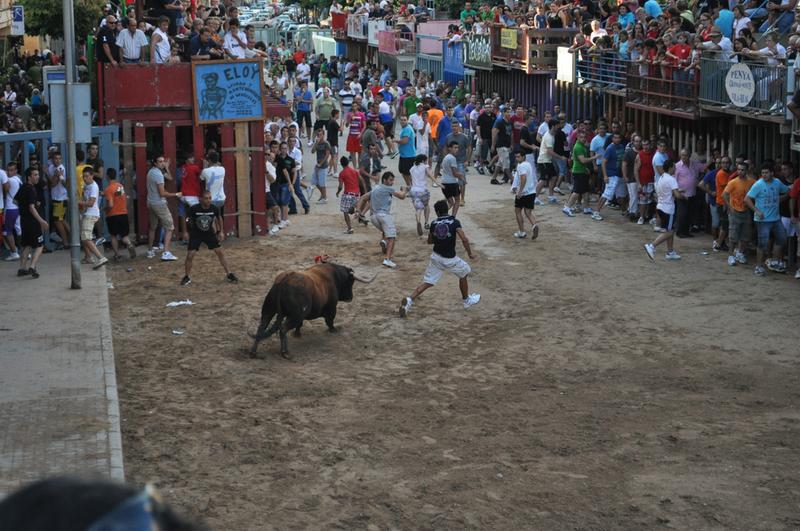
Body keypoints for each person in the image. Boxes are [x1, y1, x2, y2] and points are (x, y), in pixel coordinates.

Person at [398, 199, 480, 317]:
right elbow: (464, 238)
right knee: (465, 272)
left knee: (428, 282)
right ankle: (466, 300)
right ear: (447, 209)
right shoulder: (454, 222)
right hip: (450, 259)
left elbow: (429, 241)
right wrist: (470, 253)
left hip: (436, 257)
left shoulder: (434, 223)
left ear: (437, 212)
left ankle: (409, 300)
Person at [181, 190, 238, 285]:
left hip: (209, 234)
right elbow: (185, 218)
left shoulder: (214, 208)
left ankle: (229, 273)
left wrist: (221, 231)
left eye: (210, 198)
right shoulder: (194, 208)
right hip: (196, 234)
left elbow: (219, 218)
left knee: (220, 252)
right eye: (206, 198)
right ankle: (187, 276)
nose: (208, 200)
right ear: (201, 199)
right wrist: (185, 231)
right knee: (190, 255)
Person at [355, 172, 407, 269]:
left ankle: (385, 244)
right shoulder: (388, 188)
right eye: (390, 180)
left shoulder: (375, 188)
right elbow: (402, 196)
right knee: (392, 236)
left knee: (385, 231)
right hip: (383, 216)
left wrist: (358, 211)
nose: (392, 182)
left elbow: (362, 198)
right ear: (384, 180)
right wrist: (404, 190)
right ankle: (387, 259)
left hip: (373, 217)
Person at [745, 164, 789, 276]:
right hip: (763, 220)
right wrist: (757, 211)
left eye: (766, 172)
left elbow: (787, 190)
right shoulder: (758, 184)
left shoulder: (777, 182)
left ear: (772, 173)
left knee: (782, 239)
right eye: (763, 173)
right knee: (762, 244)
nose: (764, 175)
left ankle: (773, 261)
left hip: (775, 218)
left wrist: (779, 199)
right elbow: (747, 199)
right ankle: (759, 267)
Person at [644, 160, 683, 261]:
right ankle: (651, 246)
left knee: (668, 230)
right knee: (670, 232)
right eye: (674, 167)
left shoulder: (661, 178)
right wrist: (684, 196)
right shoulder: (671, 179)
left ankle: (670, 252)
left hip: (661, 206)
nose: (675, 168)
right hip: (668, 209)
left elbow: (667, 191)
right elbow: (677, 195)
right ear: (670, 168)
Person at [146, 155, 181, 261]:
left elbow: (170, 177)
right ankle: (166, 252)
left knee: (153, 227)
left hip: (150, 202)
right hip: (159, 204)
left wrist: (166, 168)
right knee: (170, 227)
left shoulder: (151, 172)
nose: (162, 163)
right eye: (160, 161)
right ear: (155, 163)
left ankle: (150, 250)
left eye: (163, 161)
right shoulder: (158, 175)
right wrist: (175, 194)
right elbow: (162, 193)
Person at [15, 167, 48, 278]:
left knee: (27, 245)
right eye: (35, 175)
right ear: (29, 177)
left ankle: (22, 268)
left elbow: (15, 200)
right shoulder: (31, 189)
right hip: (32, 222)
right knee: (40, 245)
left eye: (38, 174)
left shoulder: (23, 187)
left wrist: (23, 207)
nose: (37, 176)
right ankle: (32, 267)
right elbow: (31, 208)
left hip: (23, 221)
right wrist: (42, 221)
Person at [722, 164, 755, 267]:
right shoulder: (733, 182)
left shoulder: (752, 182)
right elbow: (724, 194)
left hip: (746, 211)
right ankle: (731, 256)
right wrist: (730, 207)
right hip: (735, 211)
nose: (740, 172)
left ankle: (740, 253)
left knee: (745, 235)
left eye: (743, 170)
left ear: (746, 170)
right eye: (739, 170)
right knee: (733, 235)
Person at [77, 166, 108, 269]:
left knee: (86, 237)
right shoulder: (87, 185)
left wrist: (78, 202)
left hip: (91, 214)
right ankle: (88, 257)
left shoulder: (94, 187)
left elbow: (90, 203)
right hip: (87, 213)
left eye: (87, 176)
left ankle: (100, 257)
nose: (85, 178)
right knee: (84, 237)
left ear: (92, 176)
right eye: (83, 176)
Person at [103, 168, 136, 260]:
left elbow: (110, 204)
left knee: (113, 235)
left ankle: (117, 254)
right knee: (124, 236)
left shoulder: (108, 189)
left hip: (113, 215)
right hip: (123, 214)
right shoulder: (120, 186)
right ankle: (129, 244)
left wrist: (104, 208)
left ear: (107, 177)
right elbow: (118, 197)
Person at [512, 150, 539, 239]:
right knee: (528, 212)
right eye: (516, 157)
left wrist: (519, 191)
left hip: (523, 193)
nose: (516, 158)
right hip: (532, 192)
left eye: (518, 156)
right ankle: (534, 225)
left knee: (517, 211)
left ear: (524, 157)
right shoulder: (528, 165)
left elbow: (523, 179)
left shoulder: (521, 166)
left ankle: (521, 232)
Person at [336, 156, 363, 234]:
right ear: (348, 162)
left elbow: (340, 186)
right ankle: (359, 214)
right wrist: (363, 190)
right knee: (353, 208)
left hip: (347, 194)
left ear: (341, 164)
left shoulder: (342, 173)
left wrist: (338, 192)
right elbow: (361, 180)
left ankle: (350, 228)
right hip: (356, 194)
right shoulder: (354, 171)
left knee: (345, 211)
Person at [409, 154, 432, 236]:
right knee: (426, 205)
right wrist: (437, 183)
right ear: (423, 161)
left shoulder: (412, 169)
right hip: (423, 190)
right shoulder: (425, 166)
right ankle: (426, 222)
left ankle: (418, 221)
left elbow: (411, 181)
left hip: (414, 191)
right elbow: (430, 175)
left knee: (418, 209)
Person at [440, 141, 465, 216]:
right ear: (449, 148)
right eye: (455, 147)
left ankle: (441, 215)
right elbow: (455, 173)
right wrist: (461, 176)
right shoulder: (452, 158)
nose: (457, 149)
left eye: (457, 148)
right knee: (457, 201)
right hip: (452, 183)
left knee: (450, 202)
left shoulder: (446, 157)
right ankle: (453, 217)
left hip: (444, 182)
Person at [310, 128, 332, 204]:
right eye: (318, 134)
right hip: (318, 165)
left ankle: (325, 198)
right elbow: (312, 151)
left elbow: (327, 155)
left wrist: (321, 164)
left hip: (323, 166)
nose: (319, 136)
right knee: (314, 181)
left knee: (322, 183)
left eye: (320, 134)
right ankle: (323, 195)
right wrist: (316, 143)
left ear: (323, 135)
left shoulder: (326, 143)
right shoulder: (317, 143)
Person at [396, 115, 417, 187]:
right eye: (401, 120)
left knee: (407, 173)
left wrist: (395, 141)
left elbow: (404, 141)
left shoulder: (407, 129)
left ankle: (412, 188)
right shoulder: (404, 128)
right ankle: (409, 187)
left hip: (409, 155)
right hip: (404, 154)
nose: (403, 121)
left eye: (405, 120)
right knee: (403, 172)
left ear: (407, 120)